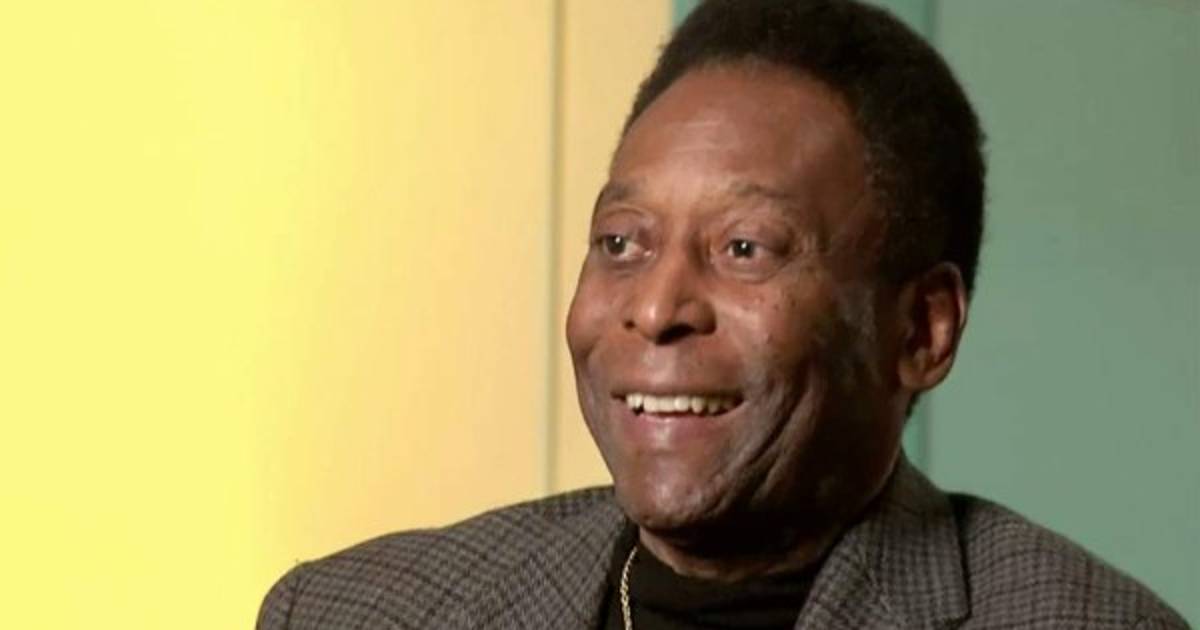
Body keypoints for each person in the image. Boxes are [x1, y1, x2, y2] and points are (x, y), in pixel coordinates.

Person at [258, 1, 1188, 628]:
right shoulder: (351, 612)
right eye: (621, 242)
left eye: (745, 248)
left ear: (921, 331)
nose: (655, 307)